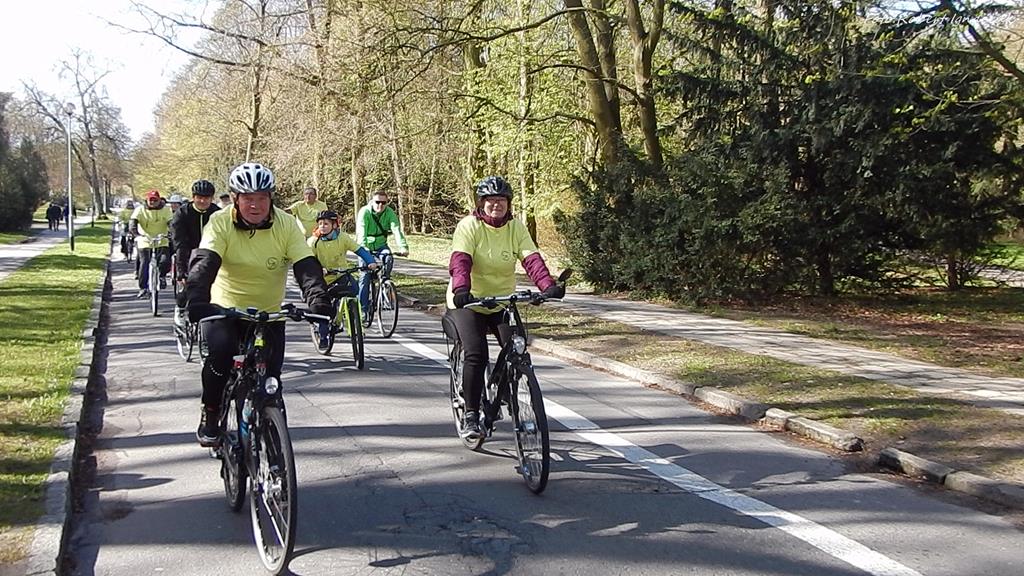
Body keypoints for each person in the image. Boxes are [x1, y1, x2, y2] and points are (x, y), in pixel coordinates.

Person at [185, 162, 332, 446]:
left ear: (271, 198)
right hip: (225, 309)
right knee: (220, 358)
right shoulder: (220, 222)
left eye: (262, 198)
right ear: (235, 198)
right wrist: (197, 298)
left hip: (269, 313)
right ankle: (211, 413)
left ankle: (273, 439)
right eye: (248, 198)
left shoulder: (286, 224)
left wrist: (318, 299)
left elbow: (305, 264)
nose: (256, 205)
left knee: (271, 380)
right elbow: (205, 262)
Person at [444, 176, 564, 440]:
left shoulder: (516, 228)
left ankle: (506, 388)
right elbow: (460, 261)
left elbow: (532, 260)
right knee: (476, 354)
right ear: (481, 203)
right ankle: (471, 415)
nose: (496, 205)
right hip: (469, 301)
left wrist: (547, 286)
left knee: (517, 348)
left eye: (501, 200)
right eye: (490, 200)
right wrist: (461, 290)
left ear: (509, 203)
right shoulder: (469, 226)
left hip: (501, 299)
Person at [307, 210, 379, 346]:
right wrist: (318, 269)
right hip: (322, 279)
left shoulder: (343, 238)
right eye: (320, 224)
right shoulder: (313, 241)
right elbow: (308, 260)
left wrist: (370, 261)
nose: (322, 226)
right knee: (322, 305)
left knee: (354, 290)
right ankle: (323, 336)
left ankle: (356, 322)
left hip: (341, 274)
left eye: (326, 224)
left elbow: (359, 250)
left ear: (334, 225)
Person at [169, 180, 220, 326]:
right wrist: (181, 271)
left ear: (212, 198)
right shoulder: (182, 213)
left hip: (211, 254)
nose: (203, 201)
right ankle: (180, 307)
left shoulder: (218, 214)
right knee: (190, 285)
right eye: (199, 197)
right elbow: (180, 243)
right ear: (193, 197)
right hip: (188, 252)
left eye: (206, 198)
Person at [355, 190, 409, 312]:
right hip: (365, 246)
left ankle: (385, 283)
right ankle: (363, 309)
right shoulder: (365, 212)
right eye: (377, 202)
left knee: (388, 257)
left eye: (383, 203)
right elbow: (361, 231)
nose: (380, 205)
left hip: (381, 245)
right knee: (364, 277)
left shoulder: (389, 213)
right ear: (372, 201)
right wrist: (364, 248)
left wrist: (403, 247)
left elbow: (396, 230)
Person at [130, 190, 172, 298]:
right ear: (147, 200)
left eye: (155, 200)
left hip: (161, 240)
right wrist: (136, 235)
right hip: (145, 241)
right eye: (150, 200)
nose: (152, 202)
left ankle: (162, 277)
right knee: (144, 263)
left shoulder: (166, 210)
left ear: (159, 200)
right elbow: (133, 223)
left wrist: (172, 233)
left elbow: (171, 223)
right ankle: (143, 288)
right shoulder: (140, 210)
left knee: (165, 261)